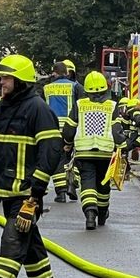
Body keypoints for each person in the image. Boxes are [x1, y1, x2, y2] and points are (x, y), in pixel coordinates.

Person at [0, 54, 63, 278]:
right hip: (6, 188)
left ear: (20, 80)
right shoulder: (4, 107)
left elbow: (50, 151)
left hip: (26, 191)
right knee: (29, 238)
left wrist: (37, 189)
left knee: (13, 236)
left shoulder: (38, 110)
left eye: (5, 77)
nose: (1, 82)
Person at [62, 72, 127, 230]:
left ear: (87, 90)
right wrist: (123, 149)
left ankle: (90, 214)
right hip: (105, 153)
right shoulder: (112, 105)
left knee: (87, 182)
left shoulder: (79, 105)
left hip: (84, 152)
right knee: (103, 185)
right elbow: (116, 130)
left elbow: (69, 128)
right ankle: (103, 213)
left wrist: (67, 143)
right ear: (105, 90)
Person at [43, 61, 84, 203]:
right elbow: (83, 107)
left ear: (54, 73)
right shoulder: (75, 87)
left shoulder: (46, 88)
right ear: (67, 72)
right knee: (76, 157)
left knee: (58, 160)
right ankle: (73, 183)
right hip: (71, 128)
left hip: (52, 129)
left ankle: (60, 193)